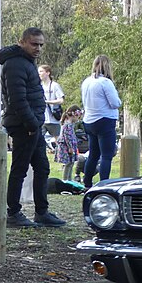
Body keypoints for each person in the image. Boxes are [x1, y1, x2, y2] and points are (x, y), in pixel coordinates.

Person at [0, 28, 65, 228]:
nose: (38, 48)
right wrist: (32, 124)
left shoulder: (26, 62)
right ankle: (13, 213)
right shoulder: (15, 63)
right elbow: (17, 100)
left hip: (33, 124)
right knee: (20, 169)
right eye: (34, 44)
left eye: (41, 44)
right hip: (24, 125)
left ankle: (41, 212)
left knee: (42, 167)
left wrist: (35, 123)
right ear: (22, 42)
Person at [81, 55, 122, 187]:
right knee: (106, 155)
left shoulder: (86, 81)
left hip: (89, 120)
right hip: (104, 120)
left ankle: (87, 182)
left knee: (93, 153)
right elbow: (115, 103)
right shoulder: (105, 82)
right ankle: (104, 183)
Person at [55, 105, 82, 182]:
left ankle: (69, 179)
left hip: (70, 146)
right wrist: (70, 147)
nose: (78, 119)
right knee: (68, 164)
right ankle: (65, 180)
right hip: (66, 147)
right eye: (78, 116)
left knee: (71, 163)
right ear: (74, 115)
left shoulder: (70, 125)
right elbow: (67, 137)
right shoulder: (67, 125)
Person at [39, 64, 64, 140]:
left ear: (48, 73)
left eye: (41, 71)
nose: (39, 74)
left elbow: (61, 100)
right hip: (42, 118)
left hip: (53, 119)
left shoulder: (55, 85)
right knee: (38, 139)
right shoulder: (39, 86)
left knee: (58, 141)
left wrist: (47, 102)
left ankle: (59, 152)